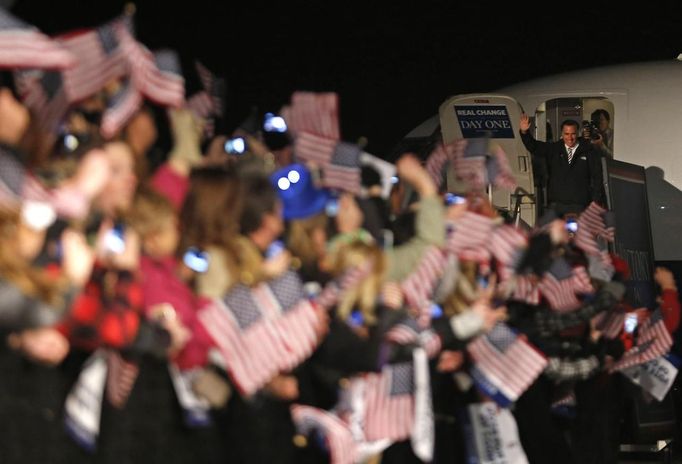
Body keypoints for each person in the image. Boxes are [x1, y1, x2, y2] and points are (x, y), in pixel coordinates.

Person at [519, 114, 605, 217]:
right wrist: (524, 132)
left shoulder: (588, 150)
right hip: (557, 205)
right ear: (562, 134)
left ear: (577, 133)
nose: (570, 138)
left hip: (581, 205)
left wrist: (595, 202)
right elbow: (534, 147)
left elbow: (597, 177)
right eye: (566, 134)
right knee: (556, 232)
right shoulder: (554, 149)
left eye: (573, 134)